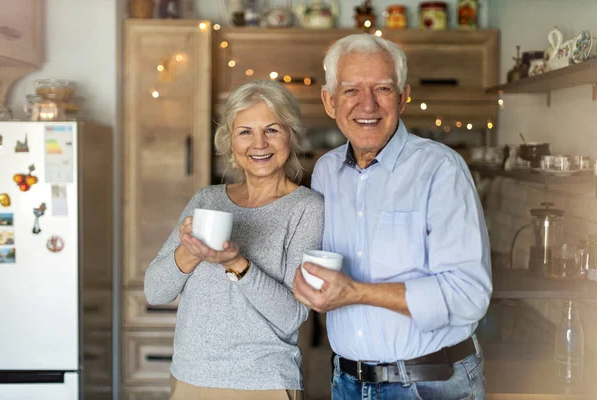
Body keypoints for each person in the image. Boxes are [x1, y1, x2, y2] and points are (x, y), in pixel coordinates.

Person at [293, 33, 492, 400]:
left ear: (403, 96)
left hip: (431, 384)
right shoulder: (325, 172)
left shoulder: (441, 170)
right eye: (351, 90)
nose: (367, 104)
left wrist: (356, 293)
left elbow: (469, 296)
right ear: (329, 101)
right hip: (348, 382)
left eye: (382, 88)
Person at [144, 79, 324, 400]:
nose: (259, 144)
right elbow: (155, 291)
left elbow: (291, 317)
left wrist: (236, 263)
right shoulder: (206, 201)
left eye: (272, 129)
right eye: (245, 132)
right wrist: (189, 253)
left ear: (291, 136)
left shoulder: (306, 209)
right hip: (189, 378)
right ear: (229, 142)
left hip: (261, 384)